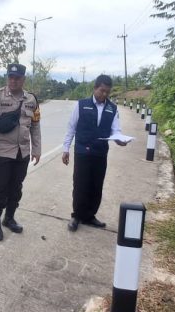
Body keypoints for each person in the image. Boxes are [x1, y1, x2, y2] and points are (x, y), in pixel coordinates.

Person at [0, 63, 41, 241]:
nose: (13, 81)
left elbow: (35, 125)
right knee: (0, 189)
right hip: (2, 152)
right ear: (7, 77)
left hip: (22, 152)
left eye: (17, 78)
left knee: (16, 188)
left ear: (23, 79)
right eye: (11, 77)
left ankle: (9, 218)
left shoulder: (31, 99)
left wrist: (36, 149)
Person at [62, 74, 127, 231]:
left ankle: (90, 216)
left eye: (107, 92)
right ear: (95, 88)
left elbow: (115, 130)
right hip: (82, 151)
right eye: (102, 90)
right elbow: (71, 128)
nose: (104, 94)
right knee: (80, 184)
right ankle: (77, 216)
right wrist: (66, 149)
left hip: (100, 153)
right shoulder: (81, 105)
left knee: (96, 185)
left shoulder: (112, 108)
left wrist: (119, 140)